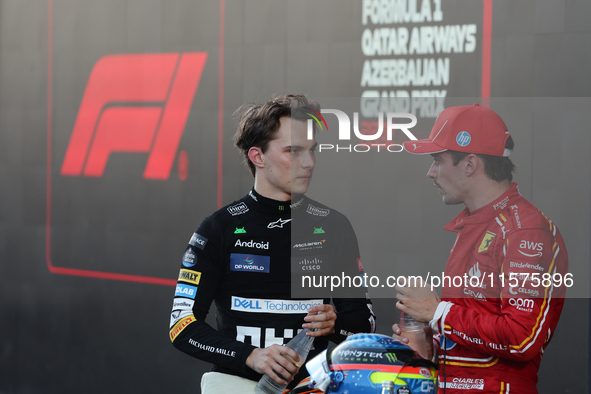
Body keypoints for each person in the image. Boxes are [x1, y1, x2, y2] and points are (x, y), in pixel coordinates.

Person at [168, 94, 375, 392]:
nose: (309, 162)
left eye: (312, 151)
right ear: (258, 157)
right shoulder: (218, 228)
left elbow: (364, 323)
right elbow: (182, 325)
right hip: (237, 385)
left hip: (313, 386)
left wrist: (336, 324)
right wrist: (250, 357)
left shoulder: (333, 226)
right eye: (293, 151)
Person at [393, 104, 569, 393]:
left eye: (438, 160)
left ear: (470, 164)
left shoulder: (526, 230)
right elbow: (471, 330)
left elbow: (522, 337)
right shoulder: (478, 225)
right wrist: (432, 342)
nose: (430, 172)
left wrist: (438, 313)